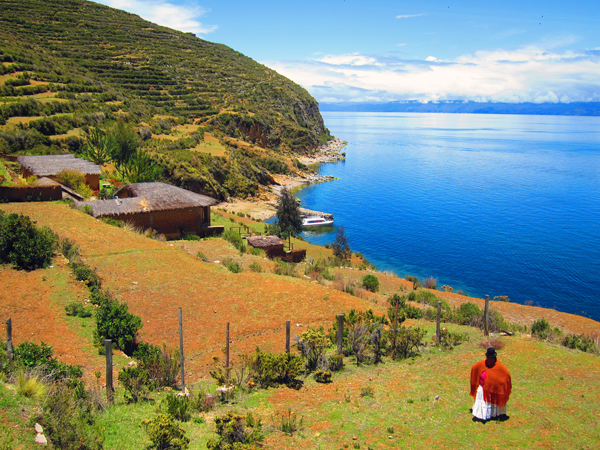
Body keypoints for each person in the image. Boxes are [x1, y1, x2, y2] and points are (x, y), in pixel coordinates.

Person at [470, 347, 512, 421]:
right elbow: (475, 368)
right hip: (482, 389)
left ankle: (495, 415)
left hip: (493, 391)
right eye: (488, 359)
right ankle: (481, 416)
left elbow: (506, 376)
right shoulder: (482, 364)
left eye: (491, 359)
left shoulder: (499, 367)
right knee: (483, 403)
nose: (489, 361)